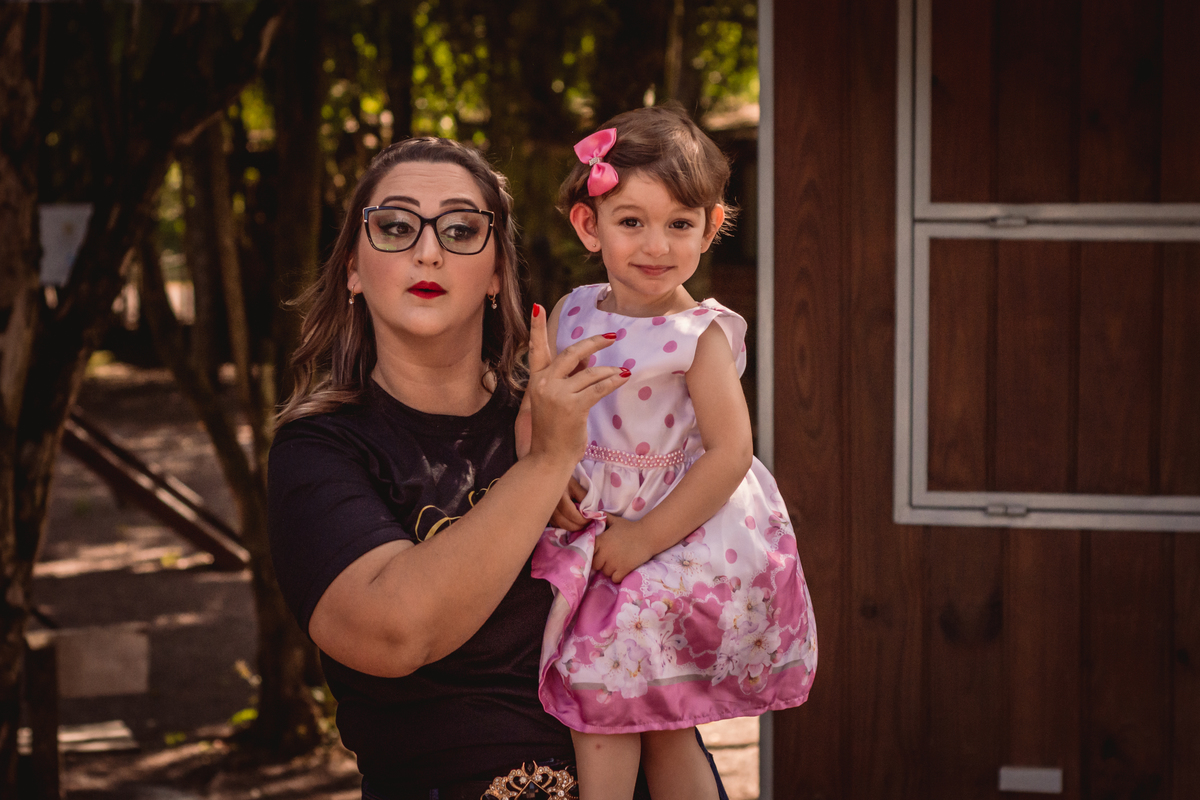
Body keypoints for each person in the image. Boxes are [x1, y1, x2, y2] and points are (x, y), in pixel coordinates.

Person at [267, 137, 730, 800]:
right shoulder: (321, 450)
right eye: (396, 227)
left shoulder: (582, 413)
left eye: (460, 230)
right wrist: (547, 463)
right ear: (352, 268)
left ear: (495, 274)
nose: (428, 251)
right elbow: (391, 633)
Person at [529, 105, 818, 800]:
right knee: (650, 717)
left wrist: (643, 539)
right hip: (596, 532)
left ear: (712, 227)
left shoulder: (699, 336)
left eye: (680, 223)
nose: (656, 245)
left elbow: (730, 453)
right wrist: (546, 476)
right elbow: (544, 410)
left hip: (673, 539)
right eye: (631, 221)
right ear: (588, 226)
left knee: (613, 702)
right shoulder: (572, 310)